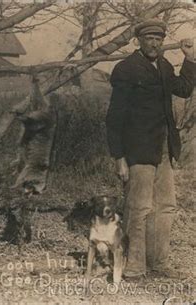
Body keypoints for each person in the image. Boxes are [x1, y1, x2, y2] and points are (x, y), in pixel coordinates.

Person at [106, 19, 195, 280]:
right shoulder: (126, 69)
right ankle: (134, 266)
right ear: (139, 41)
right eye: (149, 39)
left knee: (165, 207)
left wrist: (190, 59)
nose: (154, 43)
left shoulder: (164, 66)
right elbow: (114, 117)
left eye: (158, 38)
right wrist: (118, 156)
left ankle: (159, 264)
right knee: (139, 208)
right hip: (138, 149)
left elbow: (184, 89)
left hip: (165, 148)